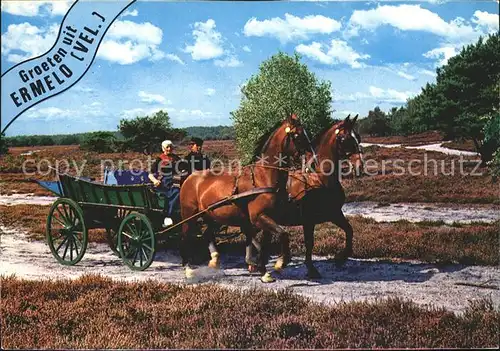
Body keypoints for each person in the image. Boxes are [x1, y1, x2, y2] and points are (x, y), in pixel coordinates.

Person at [149, 140, 181, 227]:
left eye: (170, 146)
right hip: (164, 184)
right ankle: (168, 215)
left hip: (175, 181)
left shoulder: (176, 158)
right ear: (163, 148)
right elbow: (150, 174)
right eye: (167, 147)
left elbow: (183, 168)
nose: (169, 148)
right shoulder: (160, 159)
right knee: (177, 192)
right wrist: (155, 181)